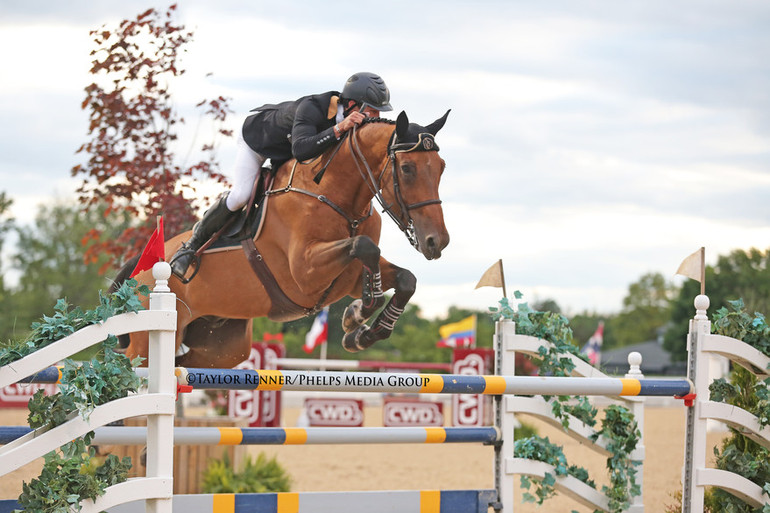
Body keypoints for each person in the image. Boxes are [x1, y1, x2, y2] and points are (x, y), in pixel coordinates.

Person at [170, 72, 393, 279]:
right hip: (258, 142)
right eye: (373, 110)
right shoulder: (313, 107)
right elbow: (302, 150)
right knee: (241, 195)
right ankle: (190, 246)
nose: (376, 116)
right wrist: (338, 129)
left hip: (287, 154)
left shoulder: (354, 121)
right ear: (353, 105)